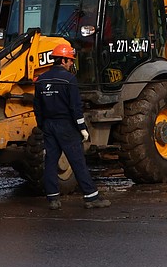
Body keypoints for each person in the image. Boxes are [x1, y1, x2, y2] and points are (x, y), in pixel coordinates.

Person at [34, 41, 111, 210]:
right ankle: (91, 198)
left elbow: (37, 107)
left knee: (50, 162)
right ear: (62, 60)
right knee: (77, 162)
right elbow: (75, 107)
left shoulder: (41, 80)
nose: (71, 64)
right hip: (66, 126)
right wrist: (82, 128)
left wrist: (43, 124)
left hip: (48, 125)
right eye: (70, 61)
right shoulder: (69, 79)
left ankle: (53, 199)